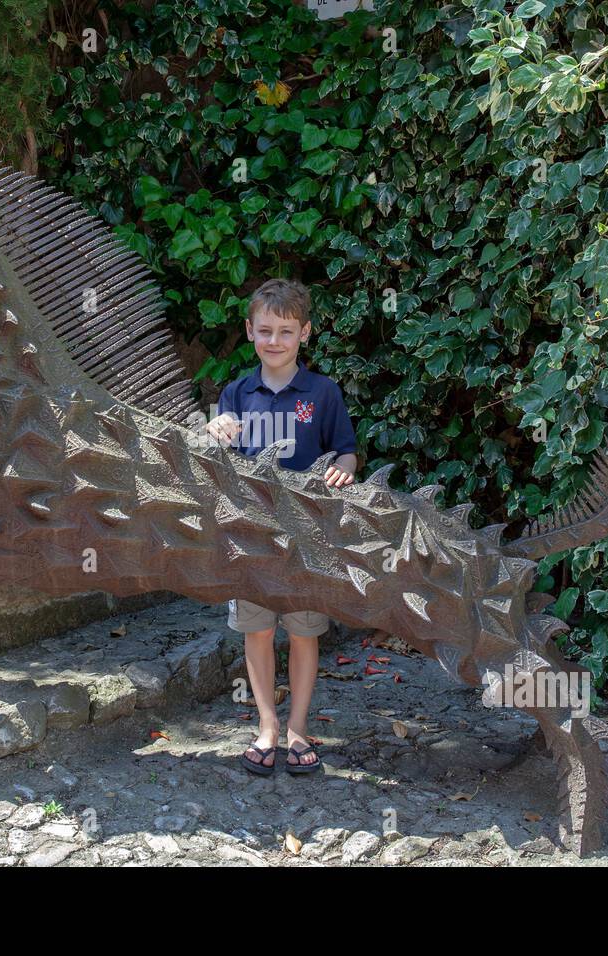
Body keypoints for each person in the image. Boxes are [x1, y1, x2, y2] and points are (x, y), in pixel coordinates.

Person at [203, 277, 357, 775]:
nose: (275, 341)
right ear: (250, 331)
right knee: (258, 632)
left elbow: (347, 452)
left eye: (286, 332)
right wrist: (212, 432)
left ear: (304, 334)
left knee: (305, 633)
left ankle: (297, 728)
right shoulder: (235, 393)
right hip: (252, 536)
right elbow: (216, 452)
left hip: (308, 537)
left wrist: (345, 469)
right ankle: (266, 725)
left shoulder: (323, 392)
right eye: (265, 331)